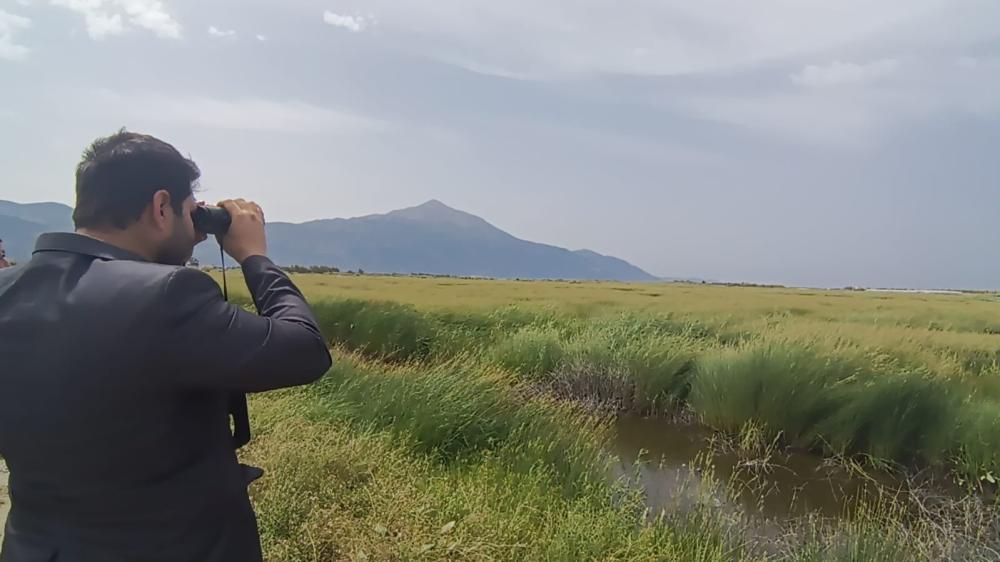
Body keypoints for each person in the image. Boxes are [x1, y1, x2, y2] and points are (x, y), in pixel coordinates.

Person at [0, 130, 333, 561]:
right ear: (161, 207)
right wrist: (255, 256)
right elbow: (305, 351)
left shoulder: (7, 290)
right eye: (189, 211)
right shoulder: (167, 294)